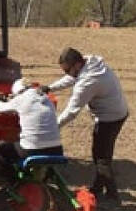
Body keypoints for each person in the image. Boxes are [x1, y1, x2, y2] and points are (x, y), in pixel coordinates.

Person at [40, 47, 128, 202]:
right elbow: (72, 78)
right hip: (117, 111)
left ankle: (113, 195)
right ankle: (98, 188)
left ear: (77, 65)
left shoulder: (88, 81)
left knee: (101, 157)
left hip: (110, 118)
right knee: (100, 154)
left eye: (68, 70)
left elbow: (72, 111)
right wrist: (50, 88)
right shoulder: (89, 62)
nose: (67, 73)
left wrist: (53, 127)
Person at [0, 78, 63, 173]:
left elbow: (0, 107)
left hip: (32, 149)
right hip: (57, 149)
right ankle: (45, 175)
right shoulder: (46, 98)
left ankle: (12, 178)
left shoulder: (21, 98)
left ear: (18, 91)